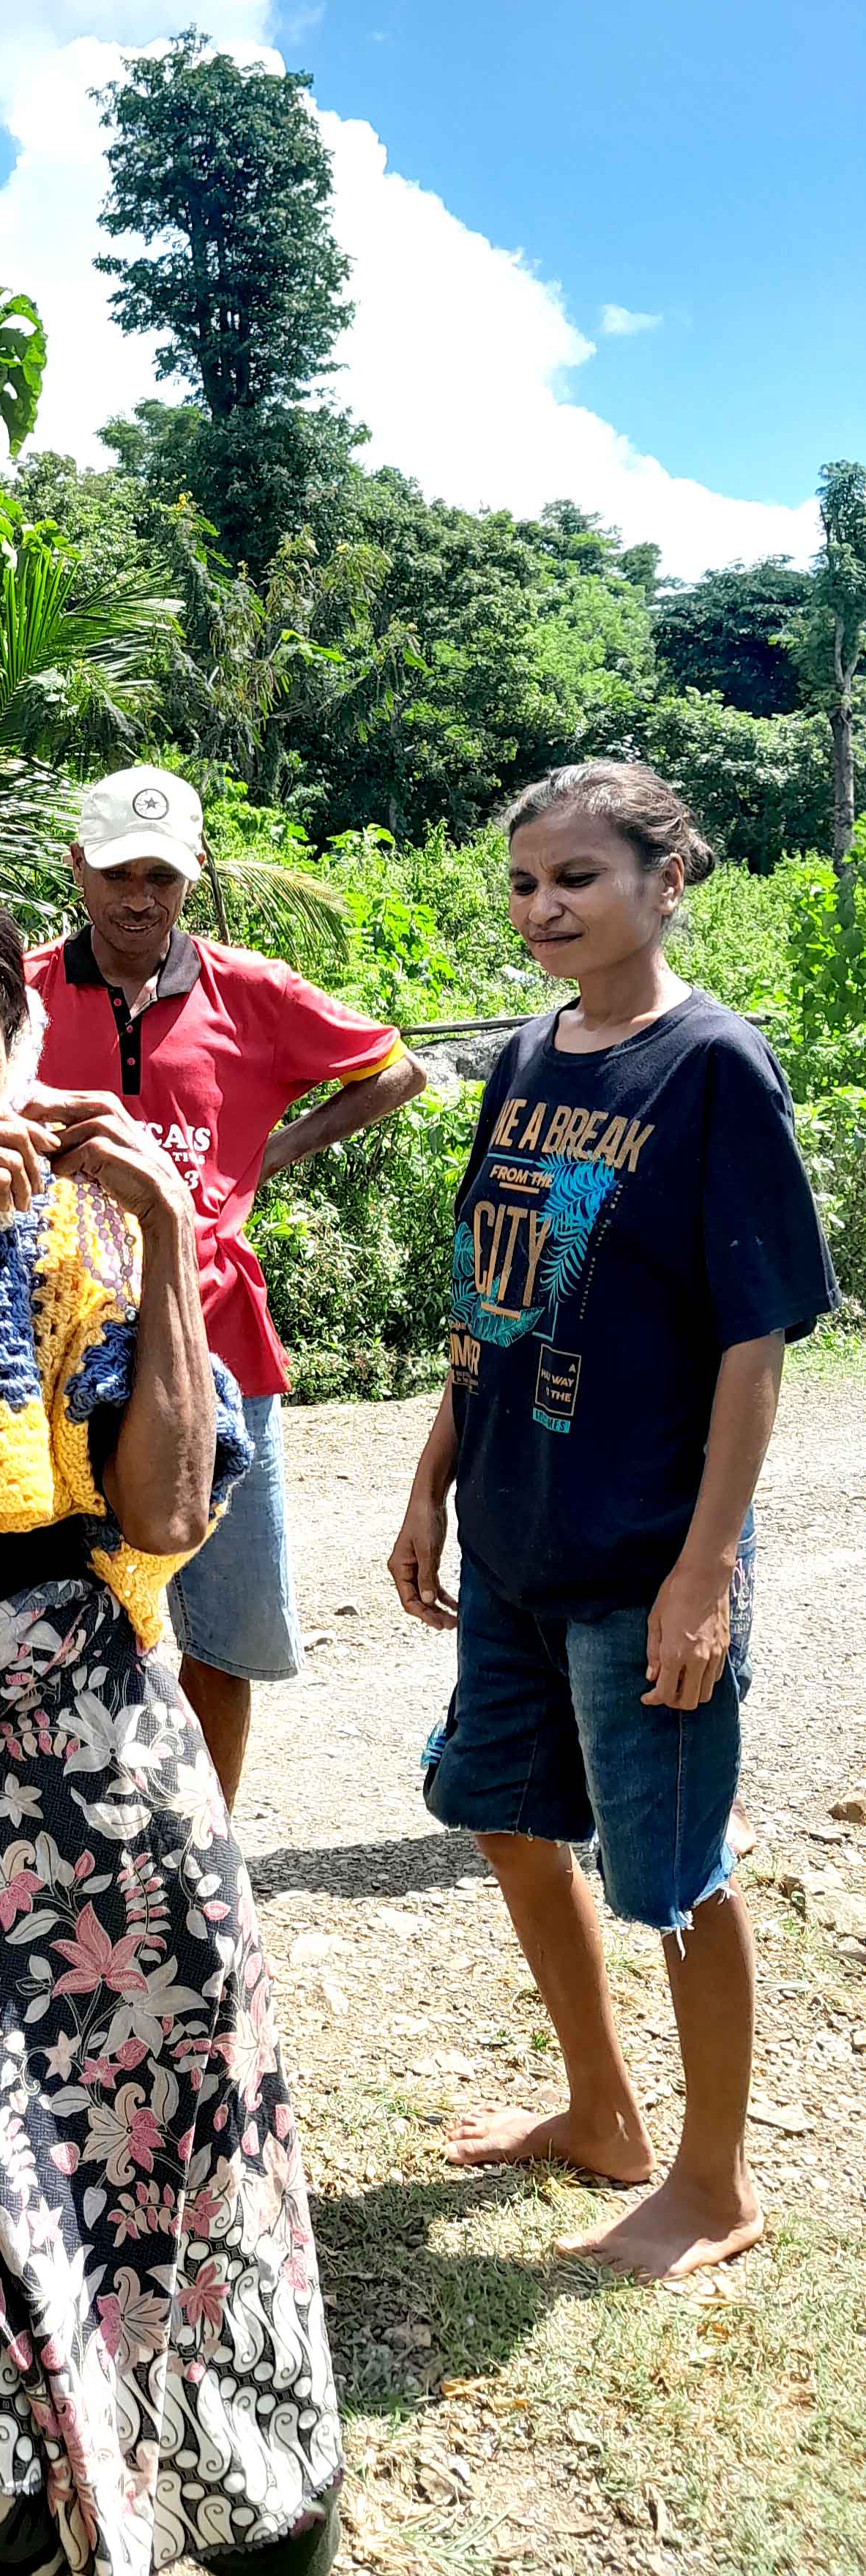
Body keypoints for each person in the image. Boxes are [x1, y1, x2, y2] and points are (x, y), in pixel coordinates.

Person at [0, 868, 343, 2576]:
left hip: (113, 1812)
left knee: (177, 2186)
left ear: (20, 1050)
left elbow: (165, 1512)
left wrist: (166, 1230)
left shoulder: (88, 1239)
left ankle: (244, 2508)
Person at [390, 762, 836, 2281]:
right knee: (504, 1812)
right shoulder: (529, 1055)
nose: (543, 908)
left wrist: (704, 1572)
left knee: (674, 1874)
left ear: (667, 880)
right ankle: (601, 2113)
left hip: (647, 1551)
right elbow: (491, 1292)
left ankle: (715, 2184)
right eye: (525, 883)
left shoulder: (714, 1068)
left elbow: (755, 1345)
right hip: (515, 1532)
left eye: (576, 877)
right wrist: (431, 1478)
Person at [27, 766, 425, 1810]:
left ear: (194, 875)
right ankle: (83, 1844)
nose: (138, 898)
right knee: (55, 1612)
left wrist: (266, 1155)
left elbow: (394, 1070)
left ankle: (210, 1845)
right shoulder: (19, 993)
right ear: (78, 868)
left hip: (214, 1338)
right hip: (49, 1352)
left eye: (160, 876)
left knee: (225, 1628)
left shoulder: (252, 993)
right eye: (117, 873)